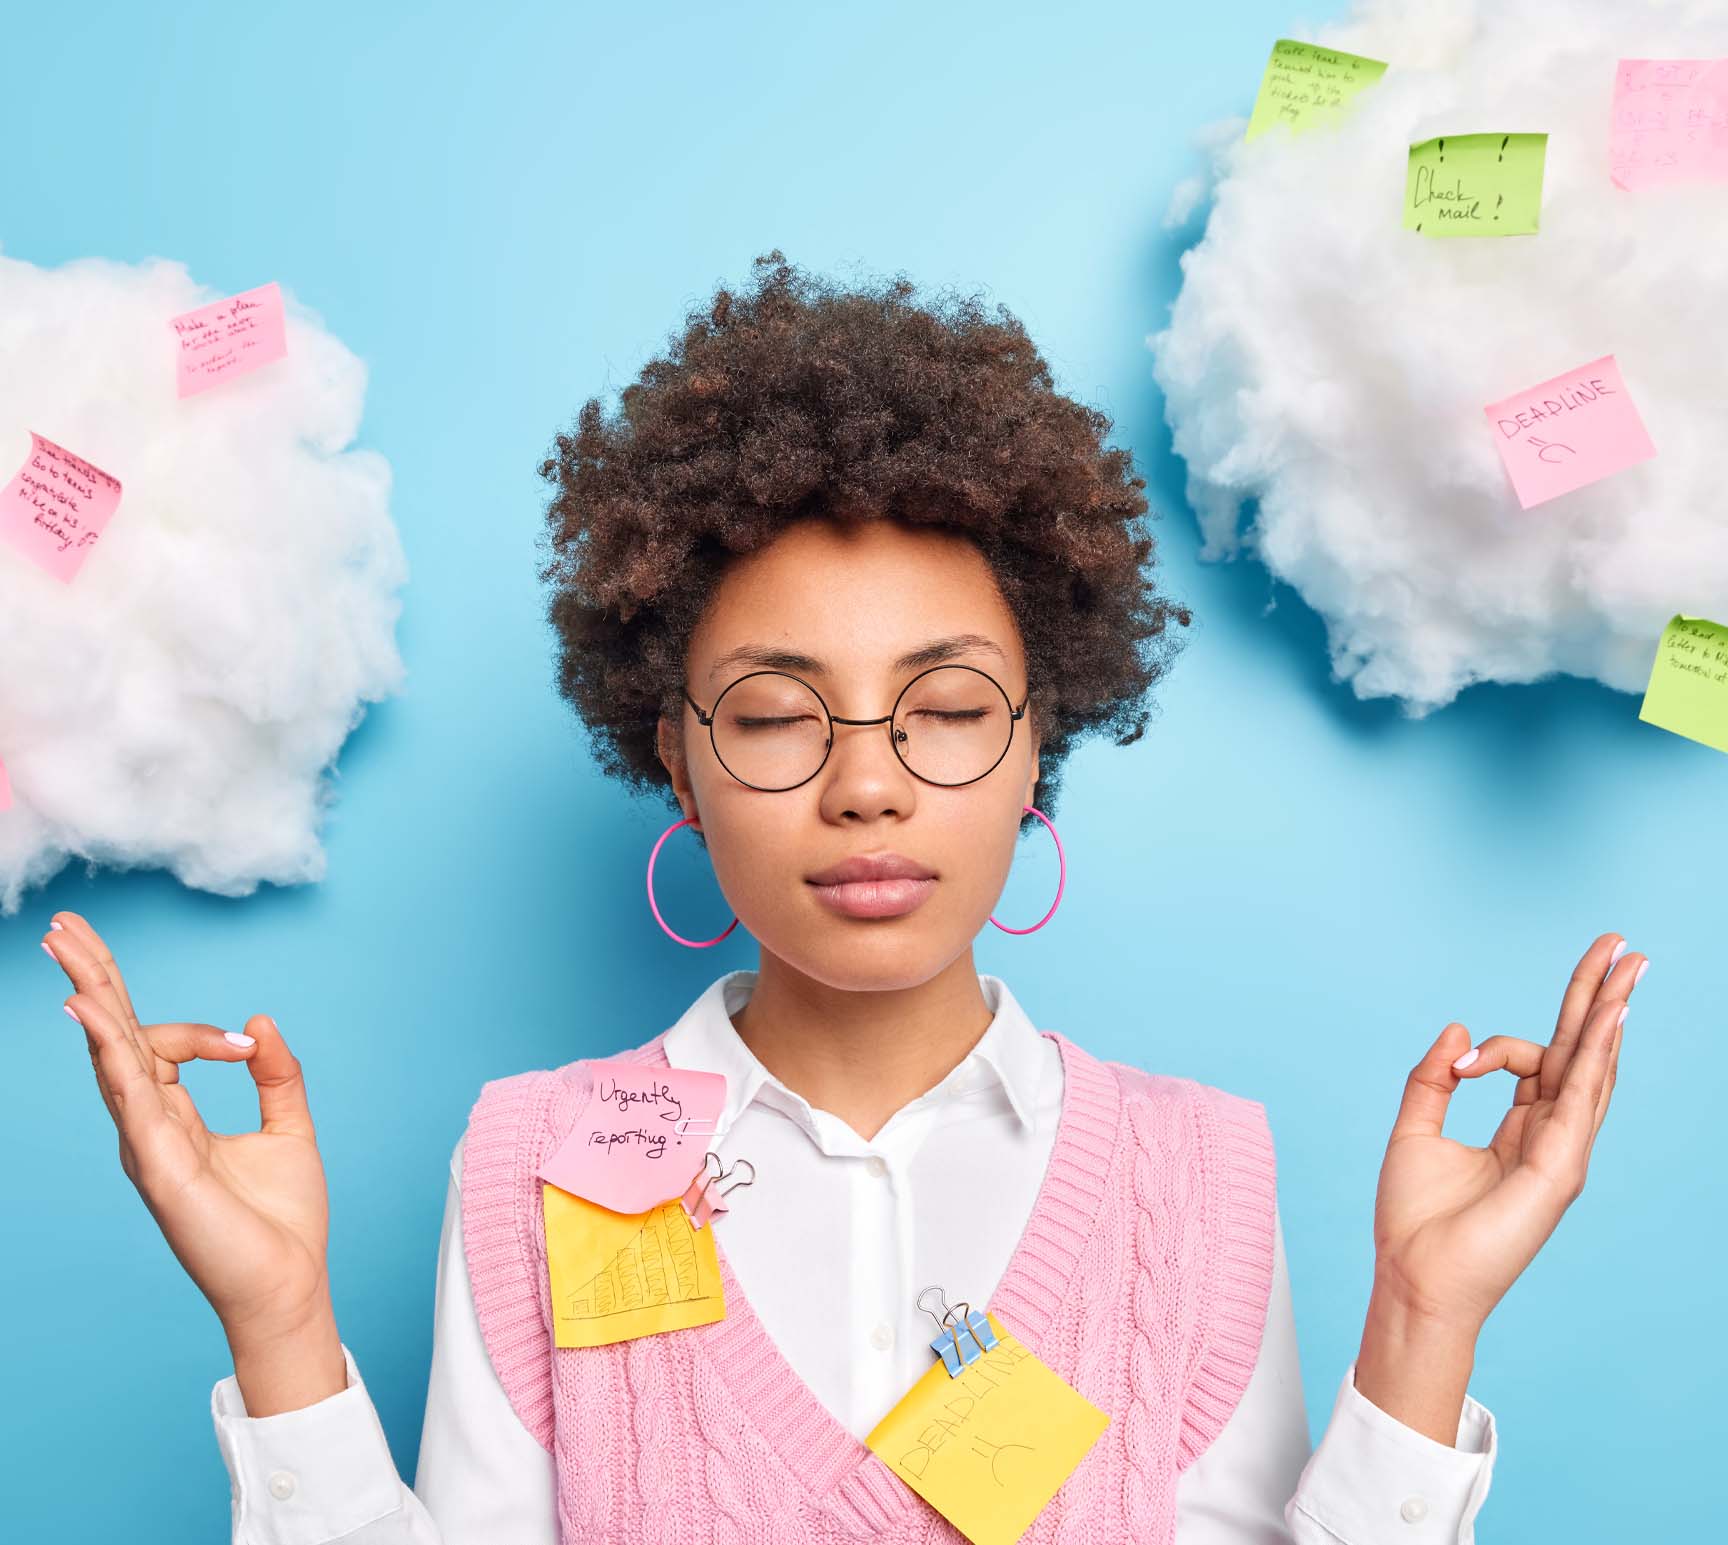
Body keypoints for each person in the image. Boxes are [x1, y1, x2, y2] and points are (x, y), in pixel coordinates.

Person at [47, 252, 1642, 1544]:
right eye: (775, 710)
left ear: (1039, 753)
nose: (867, 782)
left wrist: (1426, 1320)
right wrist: (280, 1324)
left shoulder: (1193, 1173)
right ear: (676, 757)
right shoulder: (532, 1157)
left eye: (946, 708)